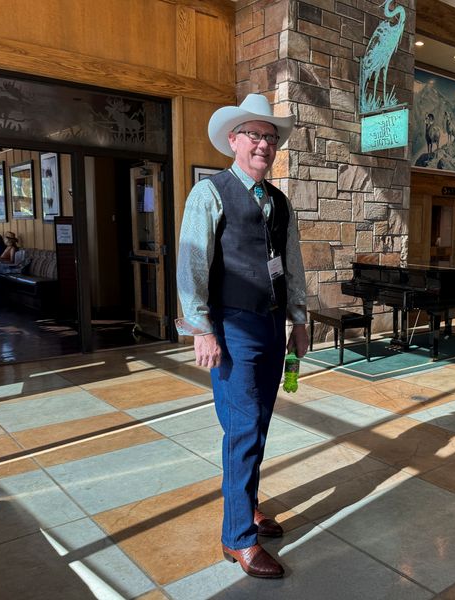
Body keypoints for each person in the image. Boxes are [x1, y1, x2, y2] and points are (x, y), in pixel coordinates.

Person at [176, 93, 308, 579]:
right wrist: (201, 329)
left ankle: (246, 507)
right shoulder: (209, 193)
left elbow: (291, 264)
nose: (263, 144)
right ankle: (237, 538)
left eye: (270, 137)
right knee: (243, 427)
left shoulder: (279, 202)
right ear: (233, 140)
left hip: (271, 325)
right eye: (254, 135)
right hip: (231, 326)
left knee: (259, 423)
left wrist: (299, 321)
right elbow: (192, 264)